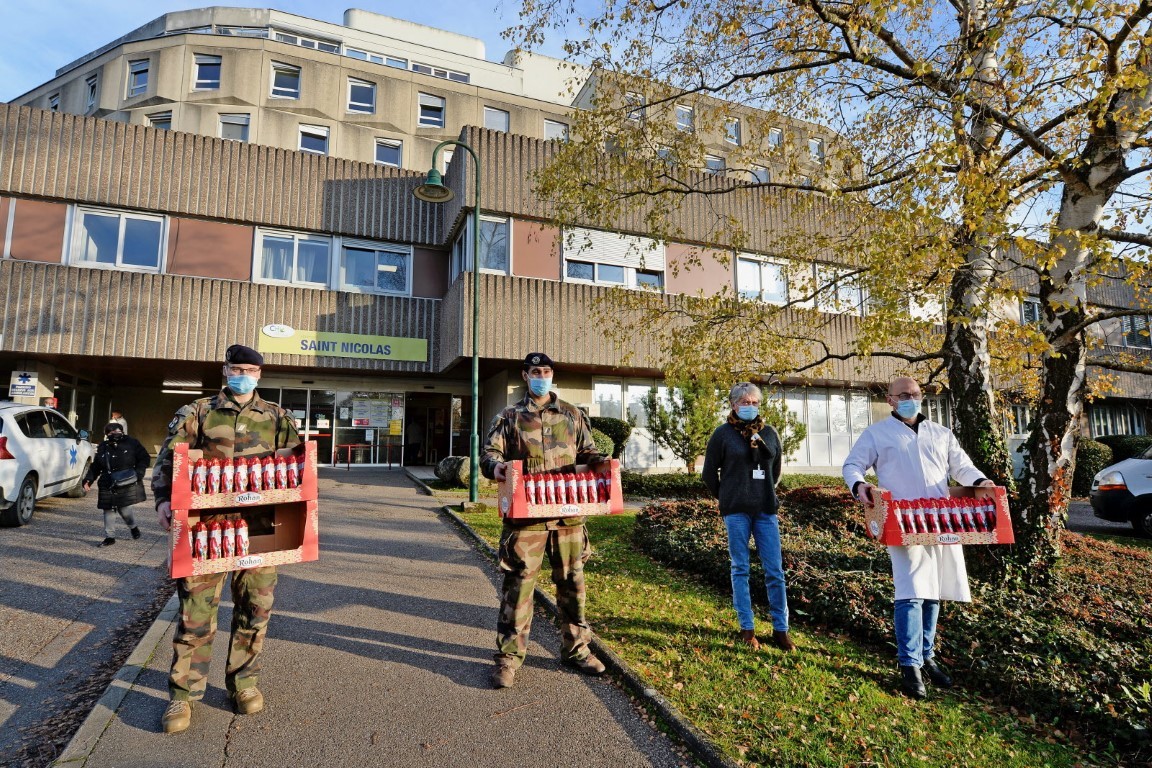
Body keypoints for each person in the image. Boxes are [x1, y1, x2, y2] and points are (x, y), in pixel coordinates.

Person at [151, 344, 300, 733]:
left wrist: (299, 520)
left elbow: (297, 469)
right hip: (205, 525)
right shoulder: (198, 412)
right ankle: (182, 696)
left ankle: (244, 684)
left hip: (260, 527)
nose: (244, 375)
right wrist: (163, 500)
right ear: (225, 369)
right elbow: (171, 456)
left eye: (251, 369)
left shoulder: (277, 417)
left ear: (259, 375)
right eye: (238, 368)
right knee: (195, 612)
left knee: (256, 607)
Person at [842, 376, 995, 699]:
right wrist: (861, 487)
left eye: (915, 394)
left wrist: (981, 481)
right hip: (901, 521)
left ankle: (926, 656)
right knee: (910, 591)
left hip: (939, 520)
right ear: (890, 399)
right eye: (903, 395)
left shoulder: (941, 434)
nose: (910, 398)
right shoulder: (878, 434)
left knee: (933, 591)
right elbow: (853, 465)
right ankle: (908, 664)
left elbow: (963, 467)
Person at [480, 352, 610, 689]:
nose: (542, 376)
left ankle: (577, 650)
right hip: (526, 520)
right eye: (536, 371)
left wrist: (603, 465)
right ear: (525, 376)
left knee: (572, 586)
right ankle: (509, 658)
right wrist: (496, 468)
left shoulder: (571, 414)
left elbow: (588, 452)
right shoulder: (509, 416)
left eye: (547, 371)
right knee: (518, 589)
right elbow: (489, 455)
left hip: (568, 517)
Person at [701, 382, 794, 652]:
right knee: (740, 568)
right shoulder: (722, 435)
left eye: (754, 402)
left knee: (775, 571)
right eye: (744, 402)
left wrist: (761, 491)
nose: (750, 406)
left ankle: (781, 629)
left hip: (765, 510)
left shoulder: (770, 434)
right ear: (733, 404)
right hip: (736, 512)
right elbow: (709, 474)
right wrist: (726, 497)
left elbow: (774, 471)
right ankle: (747, 627)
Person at [83, 422, 150, 546]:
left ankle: (133, 527)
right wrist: (89, 479)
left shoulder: (132, 442)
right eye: (111, 432)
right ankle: (110, 537)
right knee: (108, 509)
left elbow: (144, 458)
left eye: (117, 431)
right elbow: (96, 465)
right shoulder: (103, 446)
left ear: (122, 431)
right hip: (107, 482)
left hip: (125, 480)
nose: (114, 434)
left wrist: (139, 473)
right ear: (107, 434)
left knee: (124, 509)